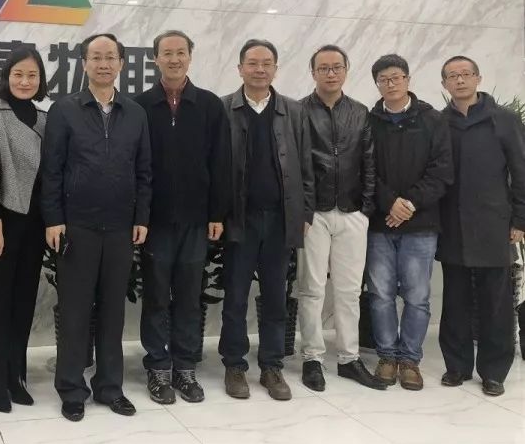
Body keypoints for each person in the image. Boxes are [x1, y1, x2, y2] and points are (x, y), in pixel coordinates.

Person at [42, 33, 152, 422]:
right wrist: (53, 218)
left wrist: (142, 217)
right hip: (77, 226)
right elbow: (52, 169)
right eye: (96, 57)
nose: (104, 64)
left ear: (121, 63)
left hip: (121, 227)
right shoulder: (64, 110)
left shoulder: (135, 112)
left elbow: (144, 170)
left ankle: (109, 387)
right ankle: (72, 389)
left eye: (110, 57)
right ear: (84, 63)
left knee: (112, 311)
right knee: (74, 312)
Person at [134, 30, 227, 404]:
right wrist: (139, 216)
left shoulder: (209, 105)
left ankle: (185, 368)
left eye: (180, 52)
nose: (174, 59)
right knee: (156, 296)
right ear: (155, 58)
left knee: (189, 297)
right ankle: (158, 368)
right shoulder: (140, 106)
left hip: (195, 219)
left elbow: (221, 161)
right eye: (167, 53)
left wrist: (217, 212)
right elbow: (135, 166)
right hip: (155, 221)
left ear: (190, 56)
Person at [219, 39, 314, 402]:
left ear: (275, 68)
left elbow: (306, 166)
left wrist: (304, 213)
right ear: (240, 68)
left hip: (280, 220)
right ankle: (234, 365)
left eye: (267, 63)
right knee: (235, 297)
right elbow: (214, 167)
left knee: (276, 297)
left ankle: (271, 366)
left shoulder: (294, 111)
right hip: (239, 220)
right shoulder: (224, 108)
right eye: (253, 63)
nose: (260, 69)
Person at [297, 45, 385, 392]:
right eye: (323, 68)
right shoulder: (299, 111)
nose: (330, 73)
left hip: (352, 212)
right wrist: (302, 210)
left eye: (336, 67)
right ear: (313, 73)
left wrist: (366, 208)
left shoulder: (360, 112)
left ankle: (349, 358)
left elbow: (370, 162)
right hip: (313, 214)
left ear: (346, 70)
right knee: (312, 289)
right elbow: (296, 164)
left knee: (348, 291)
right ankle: (312, 358)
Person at [437, 55, 525, 397]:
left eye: (465, 74)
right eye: (452, 76)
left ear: (478, 78)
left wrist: (520, 220)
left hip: (494, 223)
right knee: (455, 299)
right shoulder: (439, 122)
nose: (459, 80)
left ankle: (494, 371)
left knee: (496, 301)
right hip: (452, 223)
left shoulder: (503, 120)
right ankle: (456, 366)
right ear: (444, 83)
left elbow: (520, 171)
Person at [366, 53, 453, 391]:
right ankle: (387, 357)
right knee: (380, 294)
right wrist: (390, 203)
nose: (391, 84)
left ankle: (410, 359)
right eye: (383, 79)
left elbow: (442, 171)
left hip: (421, 223)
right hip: (380, 224)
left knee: (417, 296)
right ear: (377, 84)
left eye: (396, 77)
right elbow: (365, 169)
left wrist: (410, 203)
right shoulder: (369, 121)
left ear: (407, 79)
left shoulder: (432, 119)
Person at [0, 47, 48, 412]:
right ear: (7, 76)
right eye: (18, 74)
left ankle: (16, 376)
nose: (25, 81)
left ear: (41, 79)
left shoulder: (46, 118)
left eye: (32, 75)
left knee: (24, 302)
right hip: (3, 222)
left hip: (36, 224)